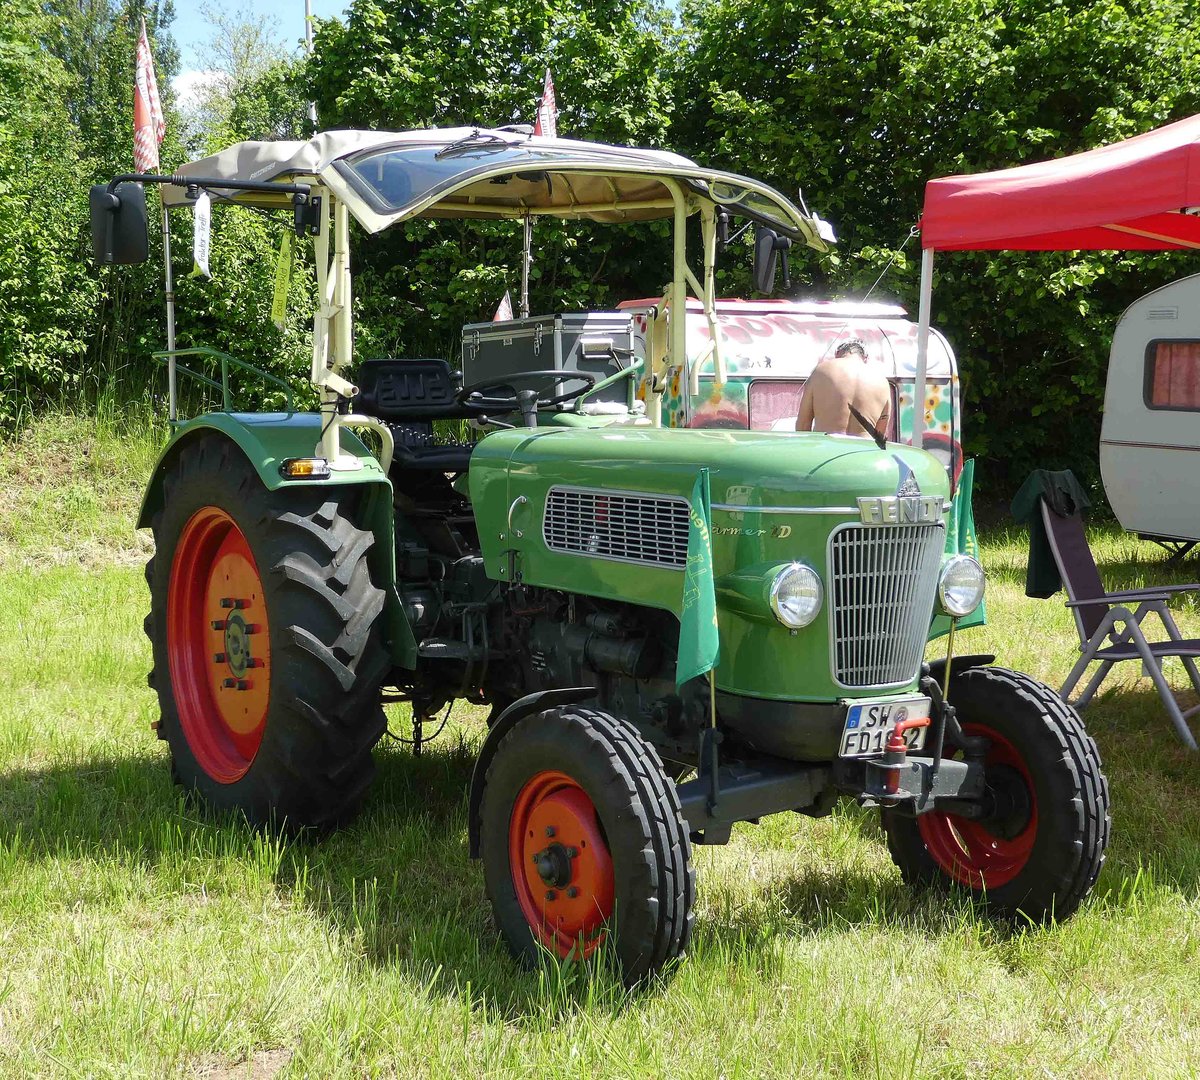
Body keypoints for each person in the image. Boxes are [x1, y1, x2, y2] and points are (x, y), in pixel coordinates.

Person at [795, 339, 891, 438]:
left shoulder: (821, 370)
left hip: (827, 446)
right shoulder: (882, 381)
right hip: (863, 449)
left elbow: (803, 424)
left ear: (837, 353)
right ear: (865, 358)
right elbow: (880, 435)